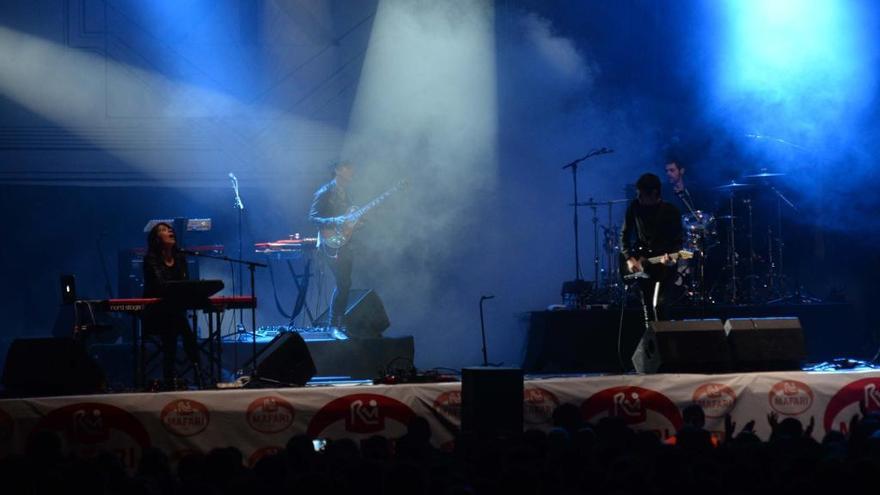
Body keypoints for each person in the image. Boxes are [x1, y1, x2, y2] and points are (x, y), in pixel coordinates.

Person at [142, 222, 203, 388]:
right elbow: (159, 287)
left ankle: (173, 378)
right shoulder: (150, 260)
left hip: (175, 311)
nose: (170, 231)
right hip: (156, 313)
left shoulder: (180, 258)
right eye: (163, 230)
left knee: (176, 322)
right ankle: (199, 375)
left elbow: (184, 285)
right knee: (178, 325)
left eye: (170, 229)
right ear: (156, 239)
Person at [620, 173, 684, 324]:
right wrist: (629, 258)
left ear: (654, 193)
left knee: (661, 306)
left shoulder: (671, 211)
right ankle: (651, 341)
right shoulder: (634, 208)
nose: (639, 198)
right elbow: (624, 236)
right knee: (647, 307)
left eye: (642, 195)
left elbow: (678, 241)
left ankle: (664, 342)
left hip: (664, 267)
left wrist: (671, 260)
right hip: (642, 264)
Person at [309, 162, 356, 339]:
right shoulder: (325, 192)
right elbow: (313, 217)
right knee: (343, 282)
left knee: (346, 284)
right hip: (330, 243)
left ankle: (338, 324)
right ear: (337, 170)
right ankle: (333, 325)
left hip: (345, 243)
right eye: (347, 167)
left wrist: (357, 223)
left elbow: (348, 220)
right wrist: (338, 220)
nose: (352, 171)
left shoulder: (348, 194)